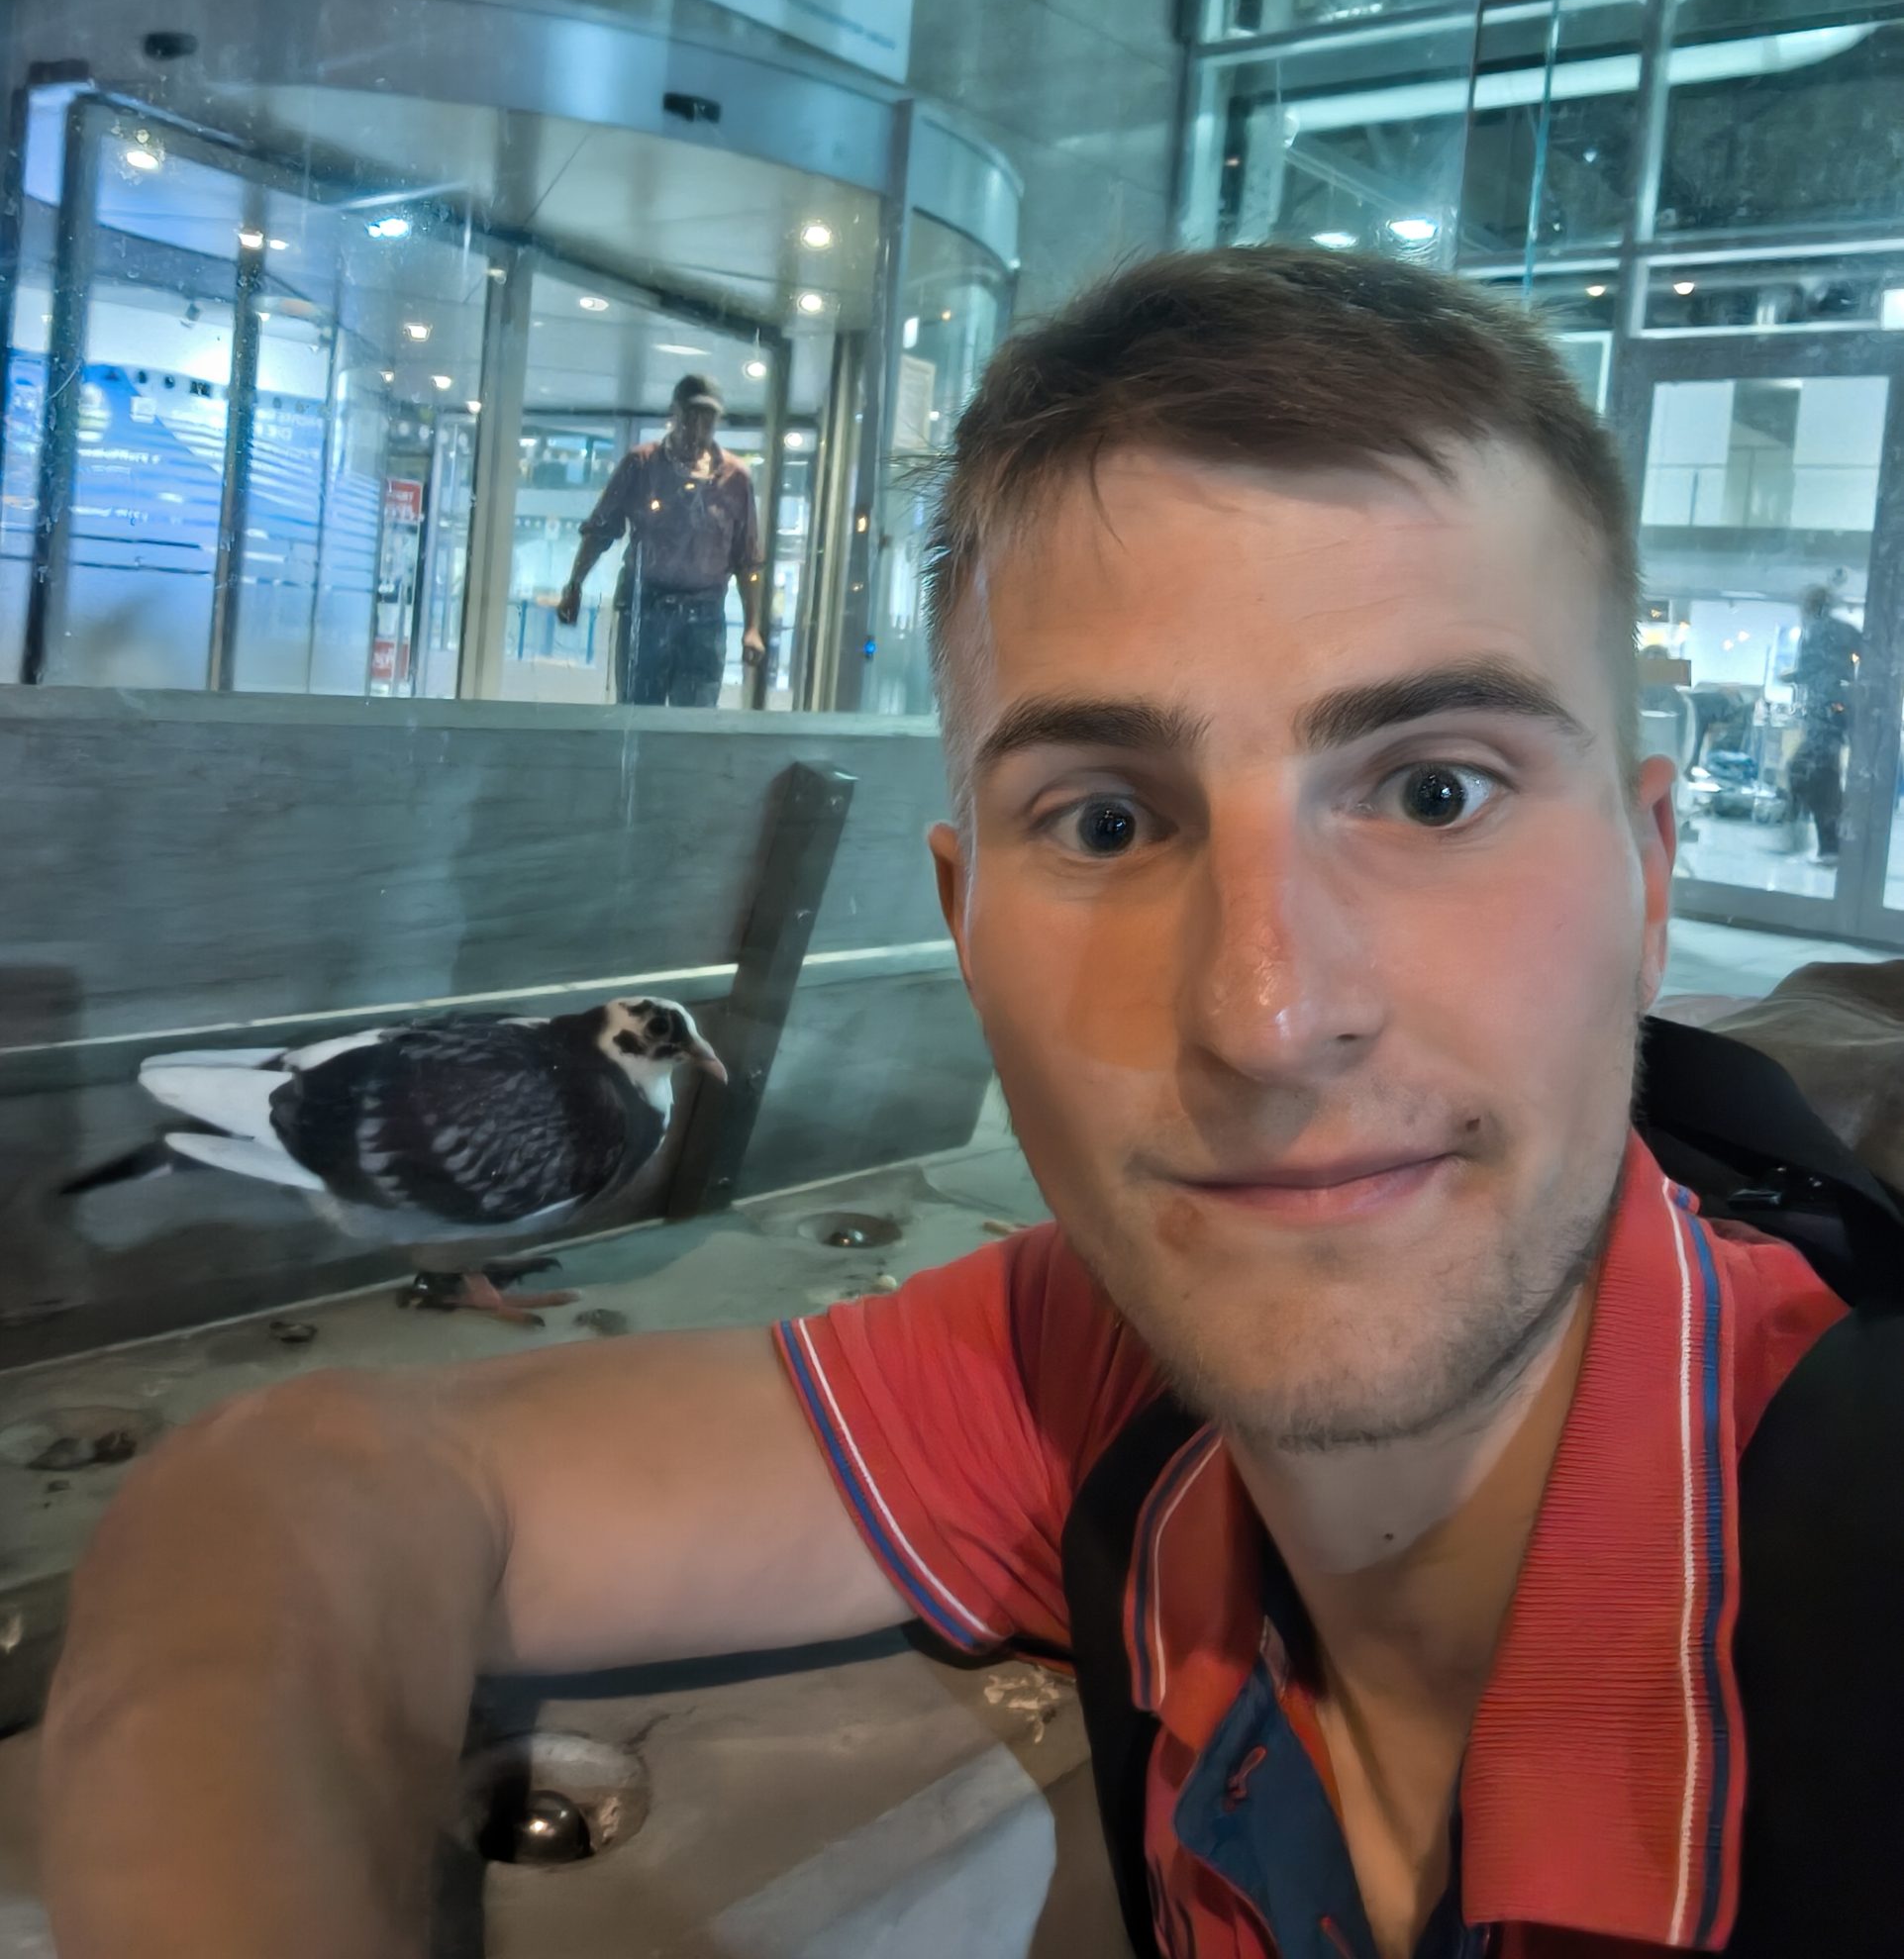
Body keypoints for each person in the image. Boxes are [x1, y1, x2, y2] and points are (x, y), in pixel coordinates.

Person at [39, 249, 1855, 1959]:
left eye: (1435, 792)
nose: (1268, 1016)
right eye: (1106, 824)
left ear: (1647, 877)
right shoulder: (1106, 1380)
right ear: (960, 922)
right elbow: (313, 1486)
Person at [555, 373, 765, 705]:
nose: (698, 426)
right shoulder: (641, 464)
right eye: (691, 415)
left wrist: (753, 626)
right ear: (674, 413)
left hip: (704, 617)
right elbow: (600, 530)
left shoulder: (735, 478)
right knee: (637, 714)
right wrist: (574, 585)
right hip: (645, 610)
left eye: (707, 417)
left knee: (693, 722)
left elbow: (748, 559)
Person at [1783, 582, 1861, 863]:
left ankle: (1828, 846)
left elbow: (1816, 671)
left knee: (1813, 775)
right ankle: (1825, 844)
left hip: (1829, 714)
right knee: (1815, 775)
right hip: (1828, 712)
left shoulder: (1820, 631)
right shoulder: (1835, 630)